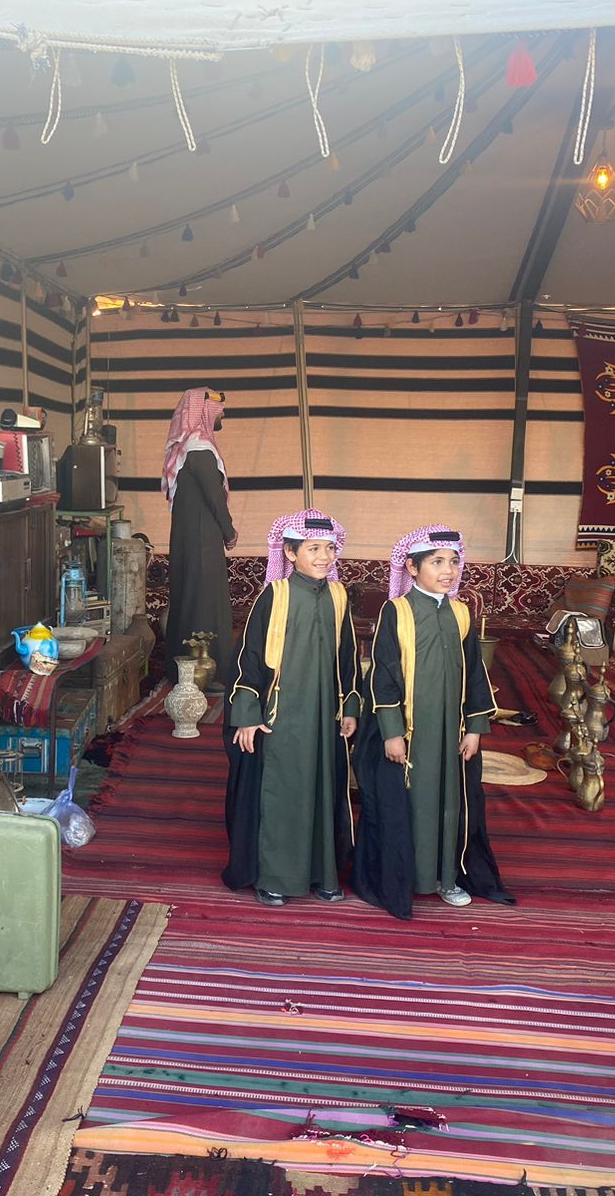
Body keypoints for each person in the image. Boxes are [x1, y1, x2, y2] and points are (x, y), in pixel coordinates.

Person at [352, 525, 512, 919]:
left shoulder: (460, 613)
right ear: (412, 566)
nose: (448, 571)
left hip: (452, 734)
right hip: (411, 734)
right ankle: (410, 878)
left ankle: (448, 878)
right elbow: (383, 676)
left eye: (453, 562)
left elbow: (475, 674)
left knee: (450, 804)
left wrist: (475, 728)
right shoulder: (397, 611)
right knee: (412, 804)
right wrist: (392, 733)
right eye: (437, 562)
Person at [222, 509, 360, 907]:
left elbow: (349, 658)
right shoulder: (275, 595)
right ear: (289, 552)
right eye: (313, 549)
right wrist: (247, 716)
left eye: (329, 548)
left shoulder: (338, 596)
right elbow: (248, 658)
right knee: (284, 795)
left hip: (326, 718)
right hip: (281, 719)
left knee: (324, 793)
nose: (324, 557)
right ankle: (275, 877)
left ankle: (323, 875)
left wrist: (351, 707)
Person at [163, 387, 236, 685]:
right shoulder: (199, 450)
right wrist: (229, 531)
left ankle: (183, 671)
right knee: (204, 602)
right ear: (203, 411)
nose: (222, 414)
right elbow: (214, 497)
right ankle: (207, 673)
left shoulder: (188, 450)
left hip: (191, 538)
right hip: (202, 539)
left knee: (191, 598)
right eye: (218, 409)